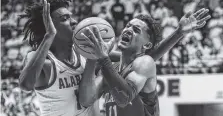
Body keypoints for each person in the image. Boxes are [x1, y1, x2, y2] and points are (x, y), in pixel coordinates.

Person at [79, 9, 211, 116]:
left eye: (136, 30)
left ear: (147, 45)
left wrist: (103, 58)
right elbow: (85, 100)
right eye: (127, 26)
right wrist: (92, 57)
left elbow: (123, 98)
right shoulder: (111, 69)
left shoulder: (145, 63)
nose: (128, 29)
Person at [19, 0, 96, 116]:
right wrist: (49, 35)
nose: (74, 21)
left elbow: (121, 57)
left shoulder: (84, 52)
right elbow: (26, 85)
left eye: (71, 16)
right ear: (49, 27)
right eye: (65, 19)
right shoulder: (43, 61)